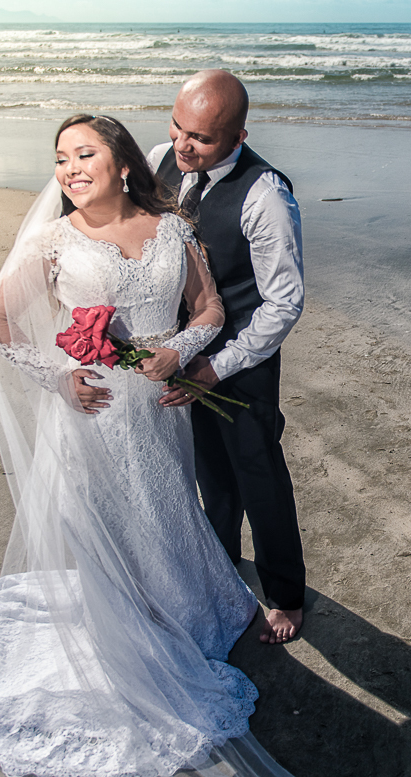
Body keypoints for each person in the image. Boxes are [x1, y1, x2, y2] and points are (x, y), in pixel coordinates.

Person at [0, 115, 293, 777]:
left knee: (163, 510)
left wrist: (178, 350)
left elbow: (209, 311)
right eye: (61, 158)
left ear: (121, 163)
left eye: (85, 153)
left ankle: (172, 610)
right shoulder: (55, 241)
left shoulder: (173, 227)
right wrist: (59, 378)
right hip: (93, 415)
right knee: (107, 525)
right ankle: (120, 637)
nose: (70, 168)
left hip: (159, 412)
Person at [147, 70, 306, 645]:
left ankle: (286, 593)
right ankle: (221, 569)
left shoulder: (266, 195)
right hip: (177, 351)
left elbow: (284, 303)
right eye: (178, 127)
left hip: (242, 360)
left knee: (257, 473)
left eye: (202, 139)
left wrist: (216, 366)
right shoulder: (160, 157)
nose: (183, 146)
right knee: (210, 472)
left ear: (238, 136)